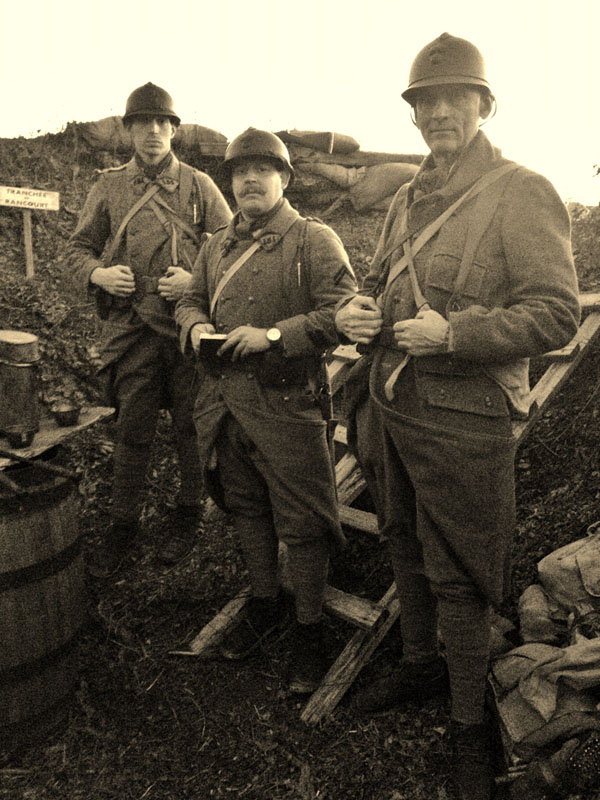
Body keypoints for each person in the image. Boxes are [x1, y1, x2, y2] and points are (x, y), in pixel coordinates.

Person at [335, 33, 580, 799]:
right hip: (390, 406)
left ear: (485, 105)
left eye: (454, 98)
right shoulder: (407, 197)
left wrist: (457, 335)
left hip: (465, 421)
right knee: (403, 543)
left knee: (462, 574)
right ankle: (416, 666)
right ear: (413, 116)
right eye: (425, 102)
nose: (439, 112)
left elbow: (556, 315)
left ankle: (469, 724)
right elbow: (375, 281)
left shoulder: (521, 190)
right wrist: (358, 311)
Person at [175, 128, 357, 693]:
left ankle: (309, 629)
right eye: (239, 172)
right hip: (225, 404)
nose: (250, 179)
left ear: (284, 179)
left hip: (287, 406)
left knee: (303, 524)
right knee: (246, 507)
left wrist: (275, 335)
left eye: (263, 169)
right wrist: (195, 324)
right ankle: (263, 603)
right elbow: (188, 298)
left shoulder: (313, 239)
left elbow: (344, 312)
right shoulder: (217, 245)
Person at [68, 82, 232, 577]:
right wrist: (99, 274)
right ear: (129, 130)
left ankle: (187, 513)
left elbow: (230, 246)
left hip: (184, 329)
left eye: (163, 123)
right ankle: (123, 524)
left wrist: (195, 278)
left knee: (189, 426)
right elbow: (76, 250)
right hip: (132, 329)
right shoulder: (110, 185)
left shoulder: (201, 186)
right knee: (132, 430)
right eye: (143, 122)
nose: (154, 131)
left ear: (175, 131)